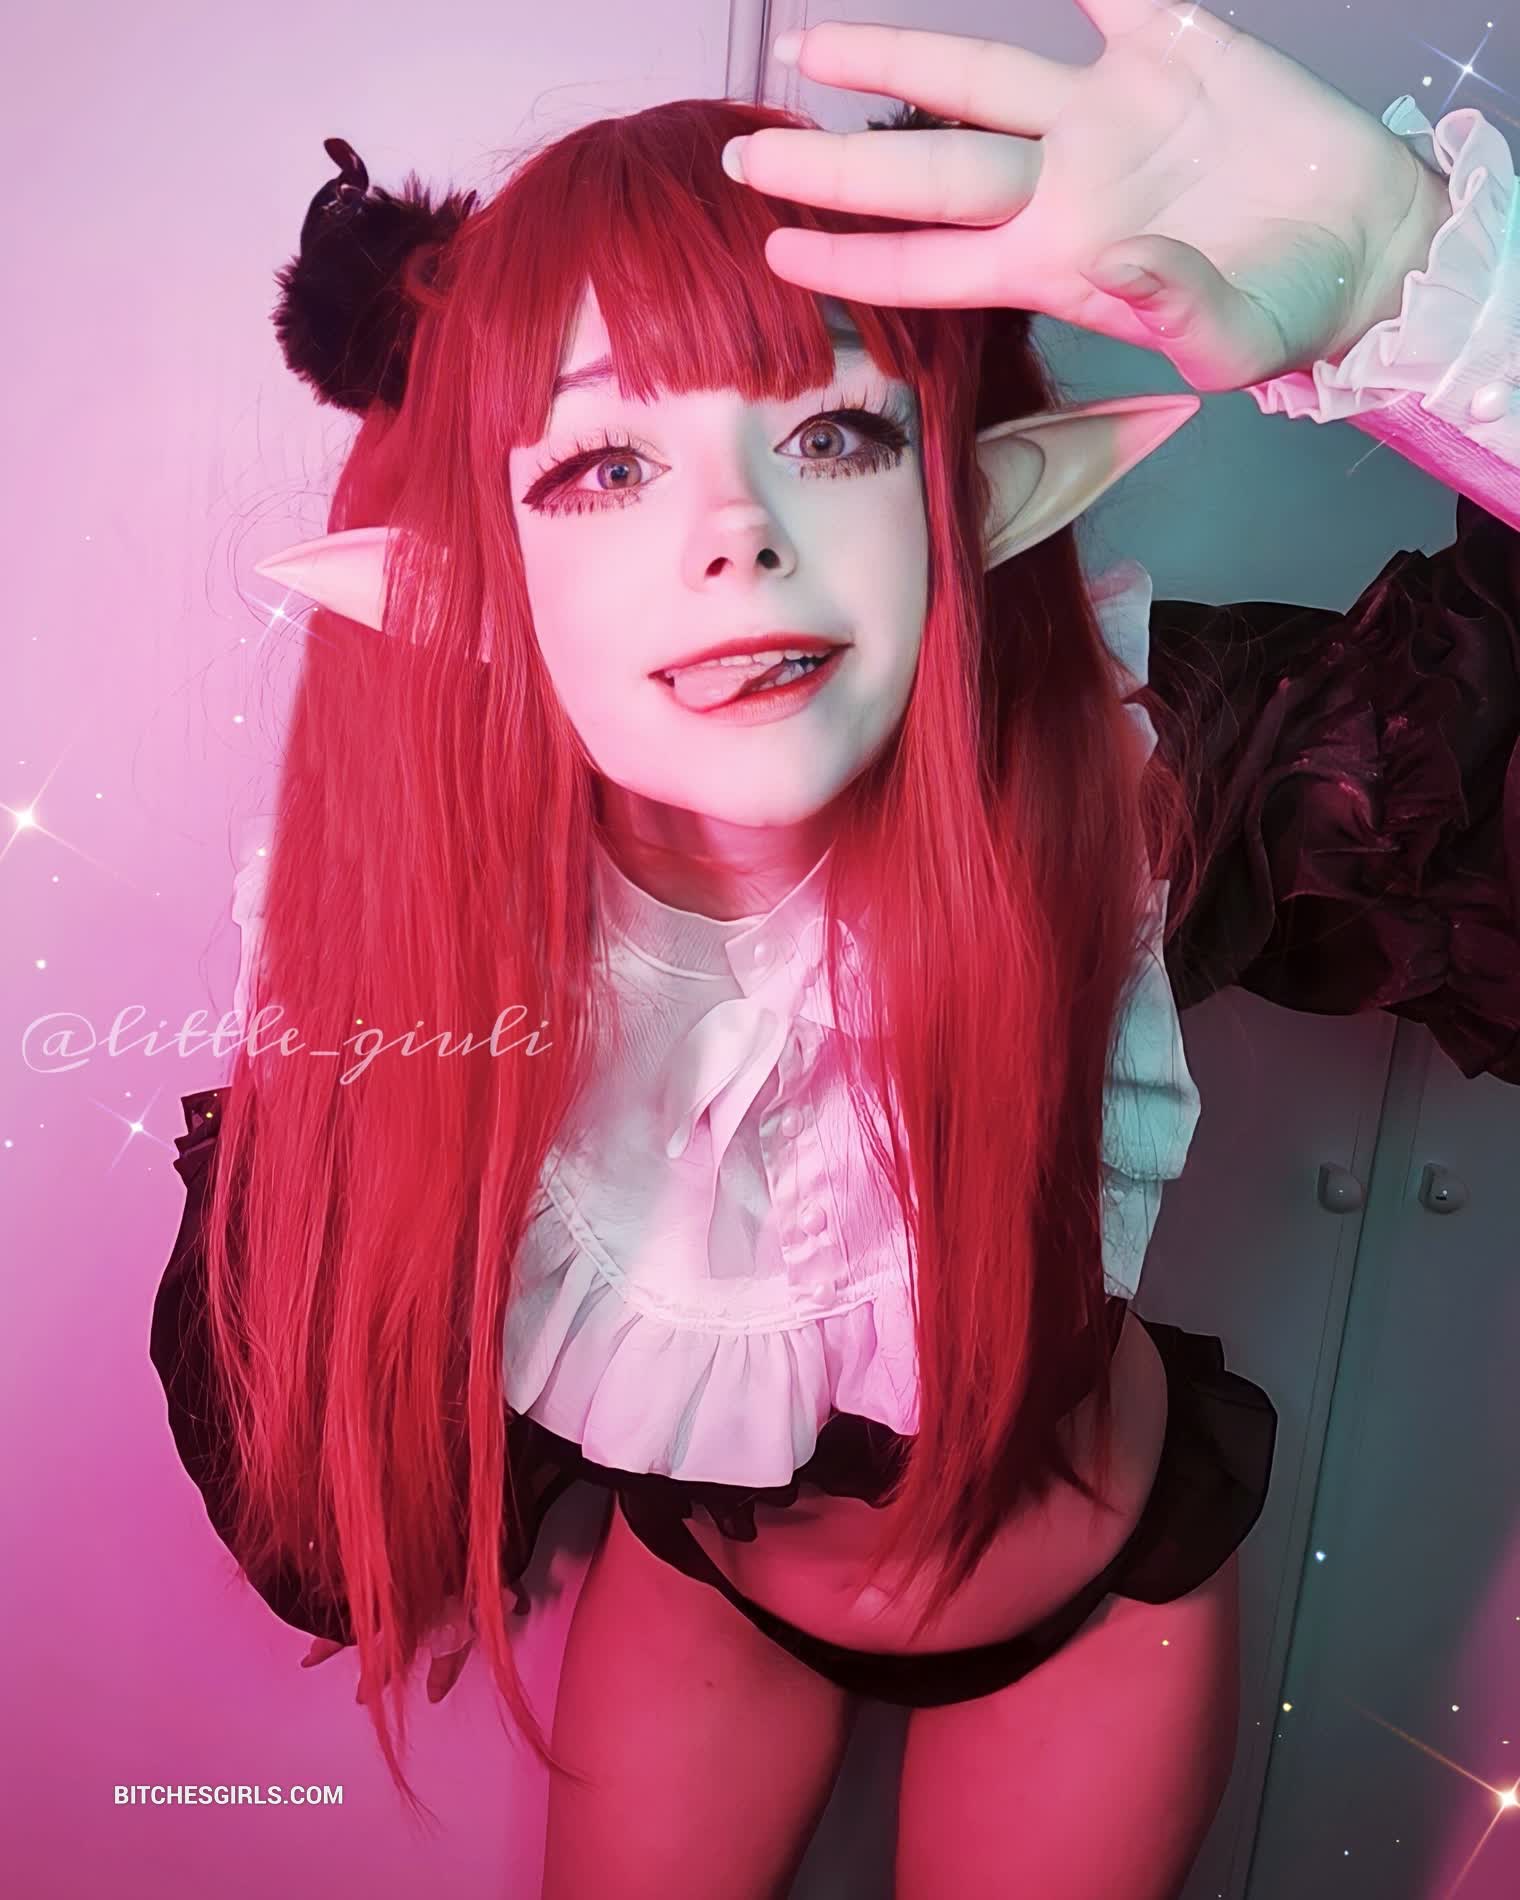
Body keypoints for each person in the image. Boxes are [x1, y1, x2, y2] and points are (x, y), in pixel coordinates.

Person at [148, 8, 1520, 1894]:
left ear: (969, 494)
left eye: (835, 430)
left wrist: (1431, 301)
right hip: (711, 1594)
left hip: (1084, 1605)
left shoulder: (1135, 767)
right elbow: (312, 1462)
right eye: (602, 465)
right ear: (470, 574)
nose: (739, 533)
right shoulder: (448, 924)